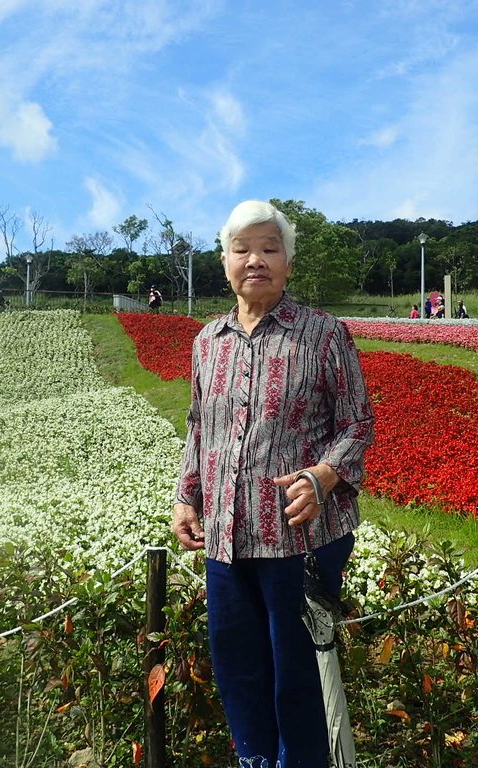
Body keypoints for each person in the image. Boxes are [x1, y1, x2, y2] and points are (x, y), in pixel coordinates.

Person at [172, 200, 375, 768]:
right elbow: (199, 426)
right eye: (242, 250)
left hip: (298, 538)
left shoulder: (322, 334)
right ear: (224, 262)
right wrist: (187, 496)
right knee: (237, 663)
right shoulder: (207, 341)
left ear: (287, 262)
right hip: (226, 538)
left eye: (269, 248)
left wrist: (323, 476)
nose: (255, 260)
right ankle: (255, 760)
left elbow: (357, 421)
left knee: (298, 673)